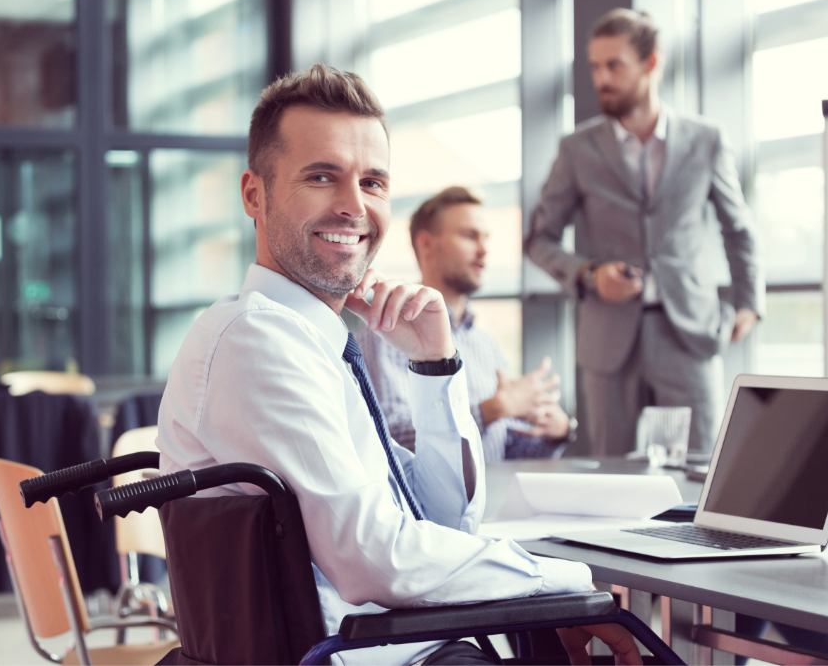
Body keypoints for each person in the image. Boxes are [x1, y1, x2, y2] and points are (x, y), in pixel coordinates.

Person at [156, 64, 642, 666]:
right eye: (321, 176)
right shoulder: (257, 340)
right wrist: (562, 583)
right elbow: (372, 559)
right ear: (254, 193)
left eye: (374, 182)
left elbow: (443, 519)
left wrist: (435, 367)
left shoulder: (313, 340)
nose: (353, 206)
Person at [526, 9, 764, 457]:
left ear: (651, 63)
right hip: (607, 339)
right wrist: (592, 274)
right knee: (609, 471)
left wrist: (750, 302)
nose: (601, 78)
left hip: (687, 332)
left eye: (614, 65)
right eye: (595, 67)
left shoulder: (706, 139)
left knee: (698, 470)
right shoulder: (575, 149)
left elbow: (738, 228)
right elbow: (540, 239)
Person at [357, 186, 576, 462]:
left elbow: (501, 450)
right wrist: (492, 410)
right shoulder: (386, 329)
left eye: (485, 238)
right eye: (469, 236)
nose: (484, 250)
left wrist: (556, 431)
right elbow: (389, 437)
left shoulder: (485, 344)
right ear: (426, 245)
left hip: (493, 500)